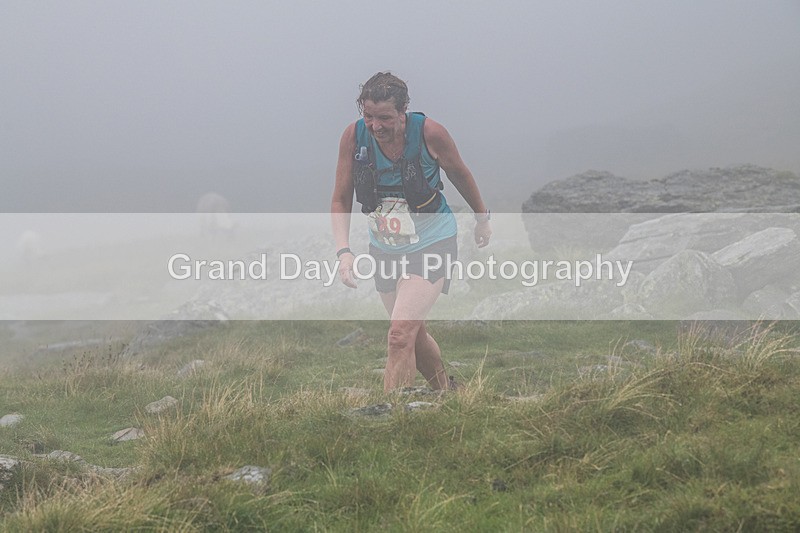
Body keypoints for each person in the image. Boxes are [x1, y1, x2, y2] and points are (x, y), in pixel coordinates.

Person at [331, 72, 491, 393]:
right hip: (385, 249)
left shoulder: (430, 133)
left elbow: (460, 174)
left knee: (399, 335)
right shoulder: (354, 136)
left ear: (403, 111)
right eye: (369, 116)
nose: (376, 126)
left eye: (385, 118)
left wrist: (481, 218)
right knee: (413, 335)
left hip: (433, 243)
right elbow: (340, 198)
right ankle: (446, 390)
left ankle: (393, 416)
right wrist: (344, 251)